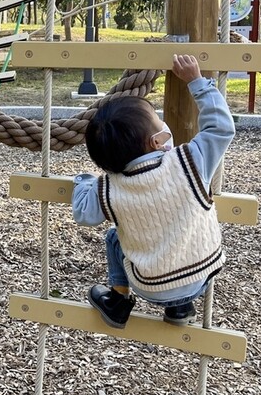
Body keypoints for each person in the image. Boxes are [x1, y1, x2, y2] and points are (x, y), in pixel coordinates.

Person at [72, 54, 234, 328]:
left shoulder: (110, 185)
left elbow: (83, 213)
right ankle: (181, 309)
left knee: (115, 237)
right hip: (202, 275)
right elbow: (221, 127)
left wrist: (84, 181)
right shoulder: (189, 161)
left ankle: (119, 300)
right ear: (158, 141)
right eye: (160, 124)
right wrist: (197, 82)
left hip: (149, 286)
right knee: (182, 226)